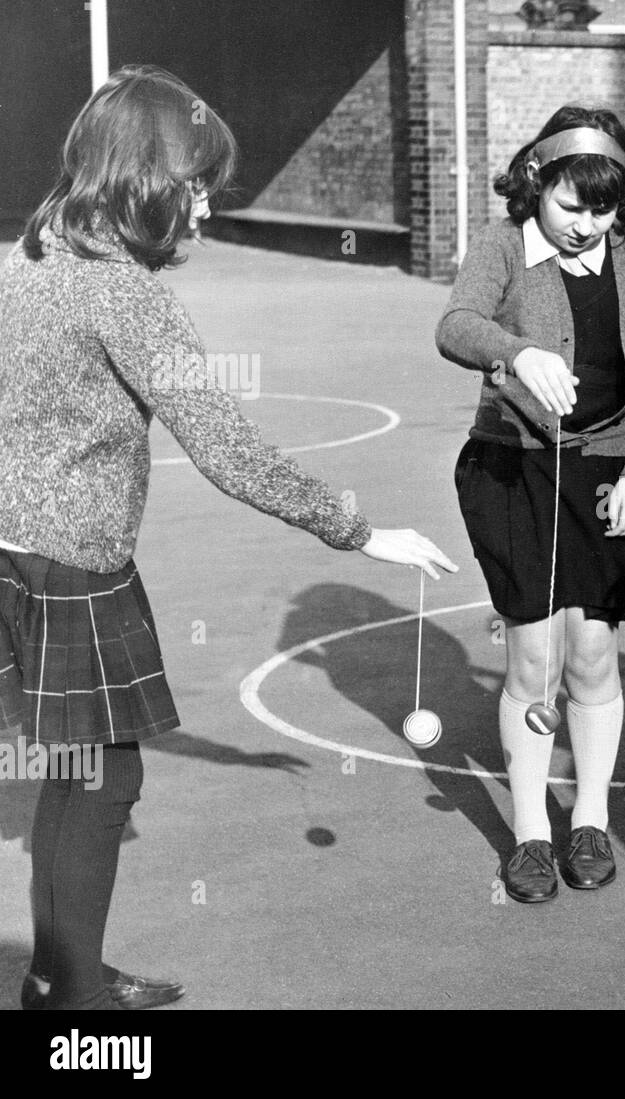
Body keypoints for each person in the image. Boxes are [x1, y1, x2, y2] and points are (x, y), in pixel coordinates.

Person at [0, 66, 456, 1010]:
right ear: (144, 180)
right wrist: (359, 529)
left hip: (8, 553)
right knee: (103, 783)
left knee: (77, 771)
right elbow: (228, 450)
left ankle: (61, 973)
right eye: (195, 185)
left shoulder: (30, 254)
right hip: (71, 565)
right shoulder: (125, 293)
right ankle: (69, 1006)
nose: (204, 209)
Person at [436, 106, 625, 903]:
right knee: (534, 659)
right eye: (572, 205)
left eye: (604, 210)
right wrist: (519, 353)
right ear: (539, 180)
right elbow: (455, 324)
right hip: (515, 470)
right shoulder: (505, 246)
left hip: (609, 473)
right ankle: (531, 834)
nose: (586, 225)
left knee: (593, 656)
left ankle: (590, 816)